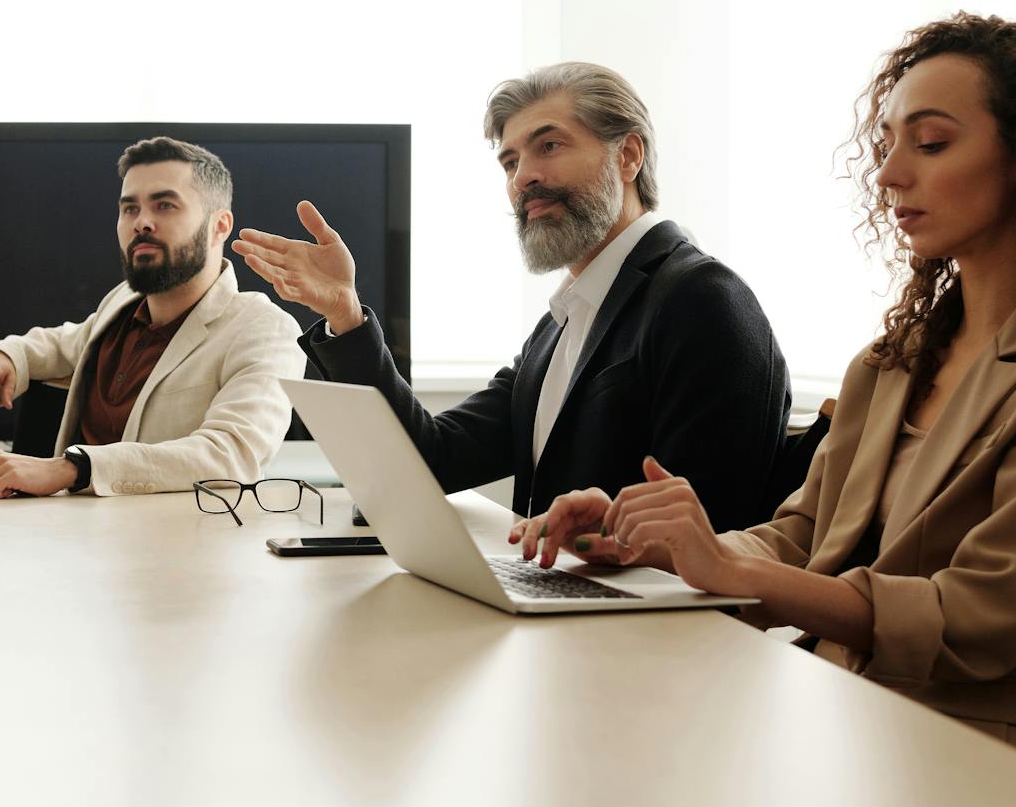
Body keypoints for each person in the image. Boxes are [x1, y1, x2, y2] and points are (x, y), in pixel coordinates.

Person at [524, 14, 1016, 773]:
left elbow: (974, 621)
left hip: (979, 761)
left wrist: (731, 572)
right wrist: (648, 543)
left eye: (930, 144)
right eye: (888, 145)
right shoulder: (896, 359)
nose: (892, 173)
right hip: (838, 716)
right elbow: (801, 539)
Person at [232, 62, 789, 529]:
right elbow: (433, 460)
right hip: (565, 616)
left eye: (549, 145)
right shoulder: (561, 326)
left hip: (648, 639)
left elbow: (709, 530)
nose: (523, 176)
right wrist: (345, 316)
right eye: (511, 161)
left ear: (628, 157)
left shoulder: (703, 299)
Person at [0, 136, 305, 498]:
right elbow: (59, 344)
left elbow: (231, 455)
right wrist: (4, 355)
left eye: (164, 205)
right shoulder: (122, 303)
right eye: (129, 209)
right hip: (69, 519)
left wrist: (73, 467)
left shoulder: (264, 329)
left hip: (159, 538)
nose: (142, 222)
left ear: (219, 226)